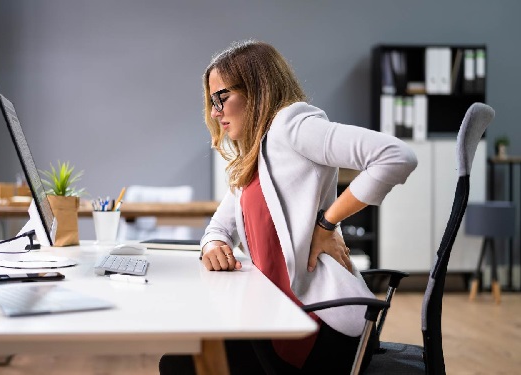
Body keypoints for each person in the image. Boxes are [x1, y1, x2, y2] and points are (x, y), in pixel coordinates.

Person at [159, 40, 417, 374]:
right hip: (278, 316)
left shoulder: (291, 124)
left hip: (320, 324)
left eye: (222, 97)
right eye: (211, 101)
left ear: (256, 89)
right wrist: (214, 245)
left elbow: (396, 156)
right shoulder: (253, 159)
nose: (214, 111)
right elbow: (218, 228)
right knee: (181, 361)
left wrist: (327, 224)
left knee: (183, 366)